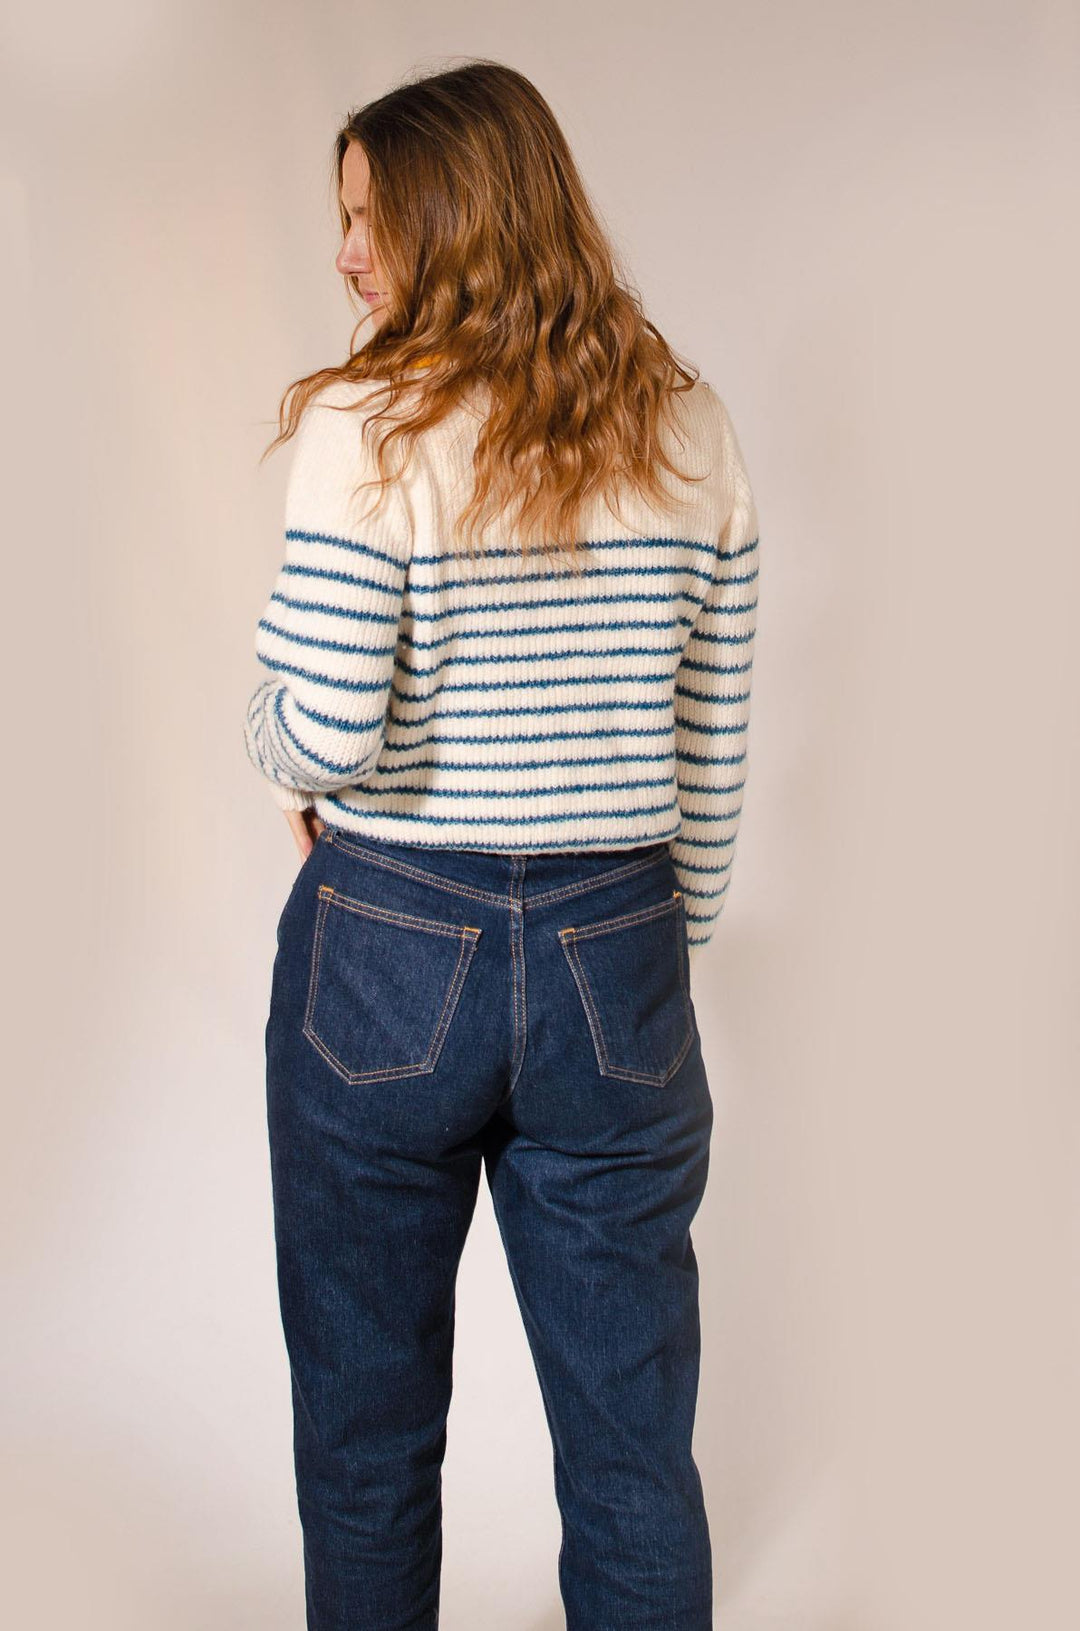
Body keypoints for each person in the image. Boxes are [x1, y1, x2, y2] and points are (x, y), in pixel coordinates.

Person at [242, 58, 759, 1631]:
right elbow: (710, 745)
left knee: (368, 1443)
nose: (345, 254)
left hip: (390, 949)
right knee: (632, 1456)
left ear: (454, 218)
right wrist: (658, 947)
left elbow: (323, 729)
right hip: (622, 949)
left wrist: (271, 742)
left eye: (368, 218)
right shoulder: (691, 424)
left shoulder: (369, 424)